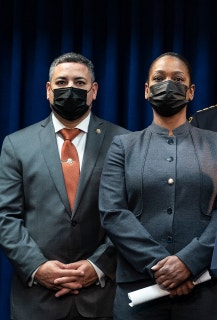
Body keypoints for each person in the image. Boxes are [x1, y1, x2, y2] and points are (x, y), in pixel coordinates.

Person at [99, 52, 217, 319]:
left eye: (177, 79)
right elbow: (113, 214)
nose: (167, 84)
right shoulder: (123, 147)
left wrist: (187, 263)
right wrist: (161, 266)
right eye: (159, 78)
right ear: (147, 90)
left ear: (191, 92)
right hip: (138, 290)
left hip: (201, 287)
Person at [0, 52, 129, 319]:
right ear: (48, 90)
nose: (70, 89)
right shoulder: (16, 145)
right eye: (61, 83)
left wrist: (97, 266)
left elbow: (132, 214)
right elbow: (6, 217)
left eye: (79, 83)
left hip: (102, 299)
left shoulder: (124, 143)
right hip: (36, 300)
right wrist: (38, 266)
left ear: (93, 91)